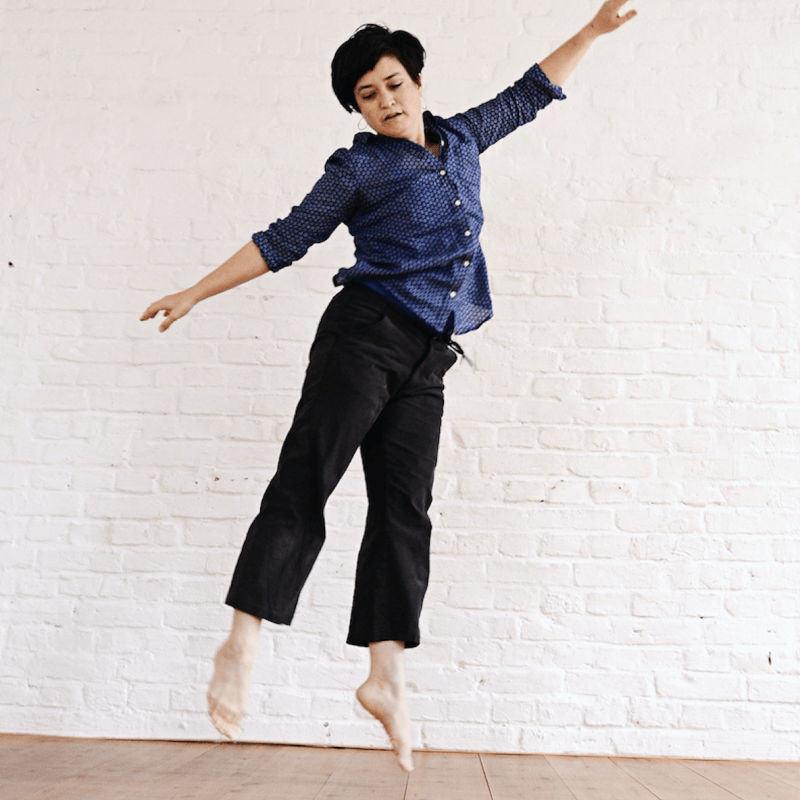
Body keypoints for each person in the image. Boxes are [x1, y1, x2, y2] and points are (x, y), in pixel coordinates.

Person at [141, 0, 637, 773]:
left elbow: (532, 90)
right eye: (369, 94)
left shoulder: (465, 136)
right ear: (358, 108)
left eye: (394, 83)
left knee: (404, 511)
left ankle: (385, 674)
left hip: (427, 358)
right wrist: (196, 291)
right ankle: (242, 639)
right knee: (310, 476)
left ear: (415, 79)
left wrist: (595, 32)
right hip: (362, 338)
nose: (387, 101)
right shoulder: (359, 167)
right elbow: (285, 239)